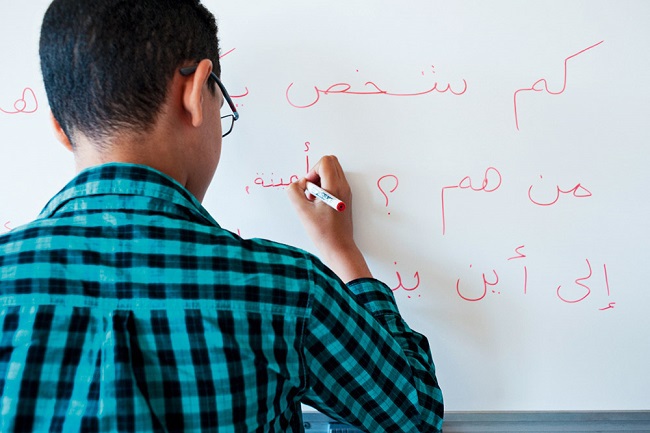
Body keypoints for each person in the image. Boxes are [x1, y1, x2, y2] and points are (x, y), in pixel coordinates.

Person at [0, 0, 444, 431]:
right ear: (196, 92)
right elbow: (416, 415)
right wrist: (342, 249)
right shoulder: (286, 289)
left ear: (59, 128)